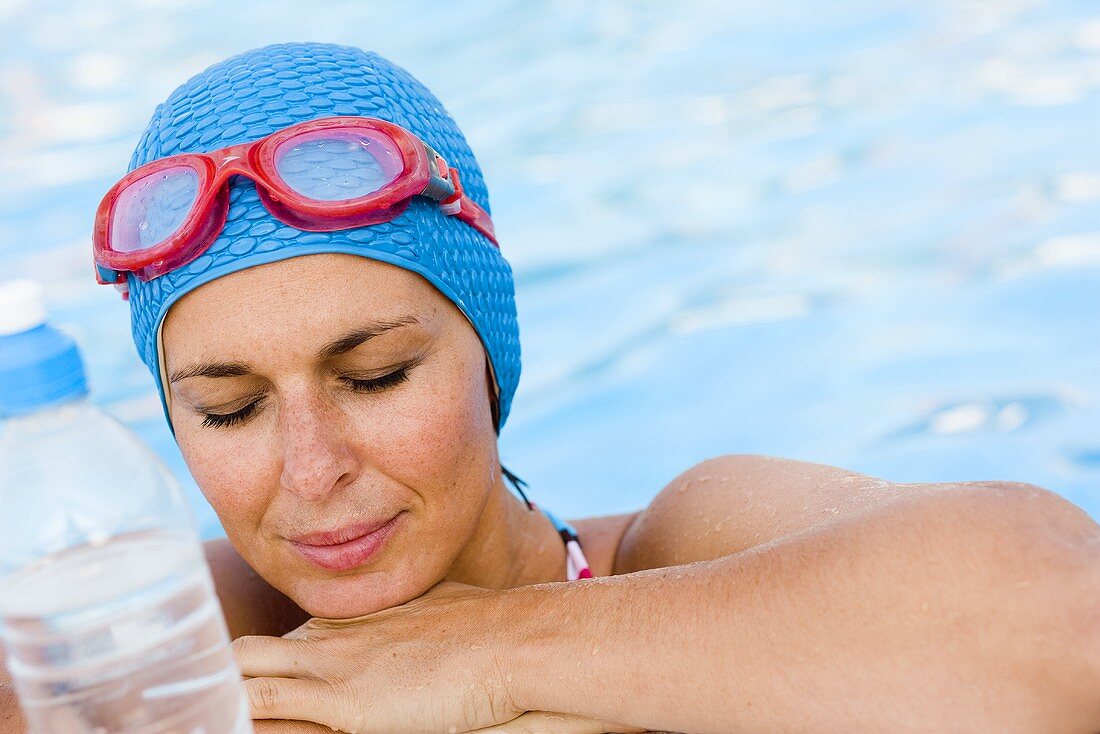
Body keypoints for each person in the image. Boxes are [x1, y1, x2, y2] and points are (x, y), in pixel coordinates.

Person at [3, 42, 1098, 734]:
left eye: (375, 374)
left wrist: (489, 648)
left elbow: (1058, 625)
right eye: (229, 407)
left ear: (489, 354)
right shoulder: (173, 643)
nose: (311, 468)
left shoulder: (683, 549)